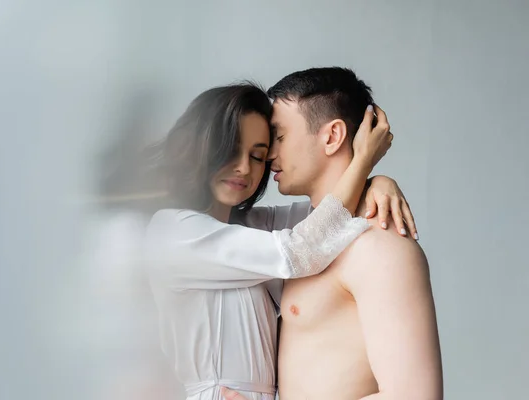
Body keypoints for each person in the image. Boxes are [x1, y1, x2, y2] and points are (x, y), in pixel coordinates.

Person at [144, 82, 413, 400]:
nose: (244, 168)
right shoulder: (174, 231)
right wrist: (364, 162)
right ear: (200, 146)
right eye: (230, 150)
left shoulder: (251, 227)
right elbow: (301, 250)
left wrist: (378, 183)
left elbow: (328, 212)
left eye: (258, 156)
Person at [221, 68, 442, 400]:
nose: (267, 155)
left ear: (332, 136)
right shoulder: (302, 237)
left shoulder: (378, 247)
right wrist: (375, 179)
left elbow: (415, 396)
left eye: (279, 137)